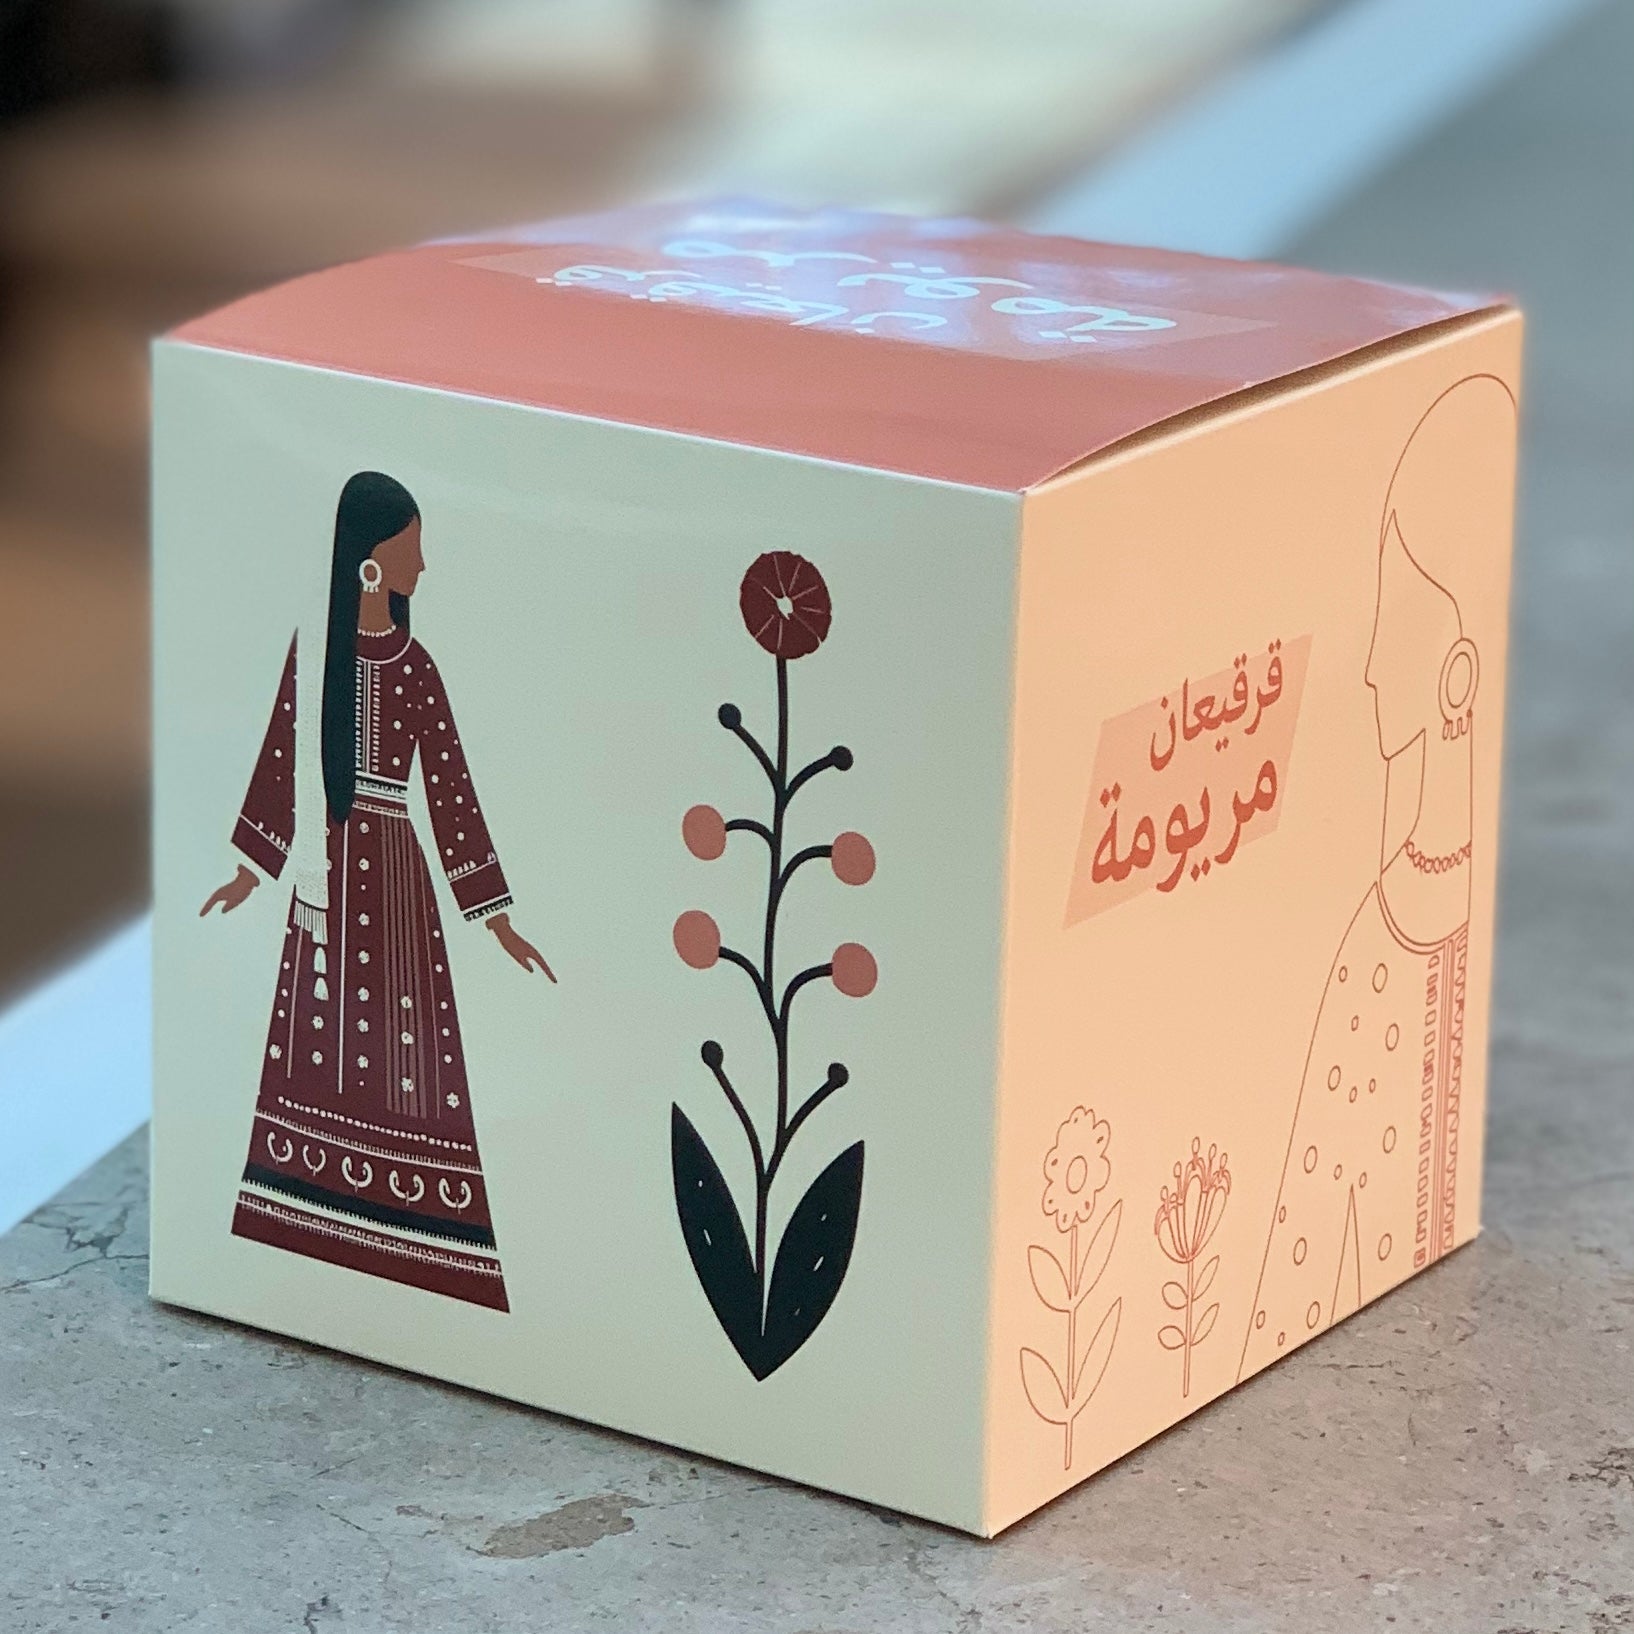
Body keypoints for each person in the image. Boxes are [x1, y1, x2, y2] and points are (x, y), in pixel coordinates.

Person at [200, 471, 552, 1311]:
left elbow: (452, 792)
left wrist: (497, 921)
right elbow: (281, 757)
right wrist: (252, 870)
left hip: (396, 884)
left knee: (404, 1054)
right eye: (411, 548)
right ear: (369, 559)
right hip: (324, 875)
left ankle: (418, 1235)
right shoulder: (317, 656)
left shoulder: (416, 666)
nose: (422, 566)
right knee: (320, 1043)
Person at [1240, 376, 1515, 1376]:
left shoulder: (1415, 921)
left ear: (1456, 673)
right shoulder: (1375, 935)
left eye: (1391, 619)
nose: (1363, 666)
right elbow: (1289, 1284)